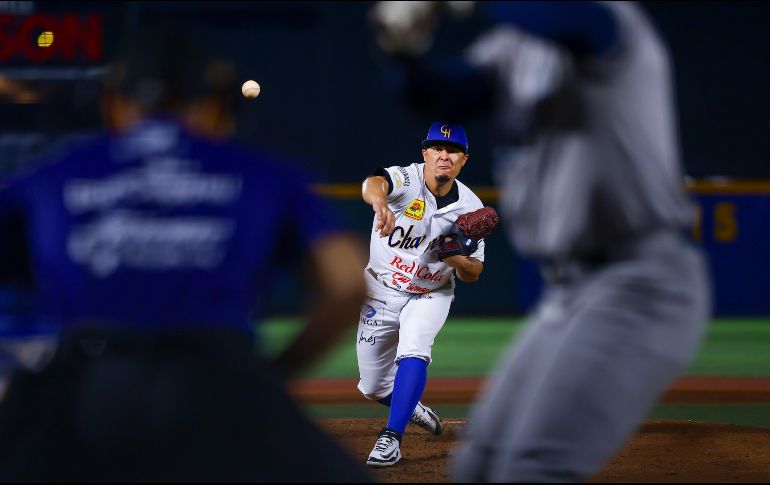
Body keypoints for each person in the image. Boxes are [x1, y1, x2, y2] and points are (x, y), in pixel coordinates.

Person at [0, 28, 372, 482]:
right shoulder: (264, 173)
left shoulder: (52, 173)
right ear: (212, 105)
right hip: (219, 381)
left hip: (86, 387)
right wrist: (274, 373)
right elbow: (348, 282)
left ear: (113, 102)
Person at [370, 1, 711, 481]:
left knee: (535, 465)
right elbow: (439, 94)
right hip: (569, 293)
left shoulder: (613, 24)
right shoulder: (514, 46)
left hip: (639, 282)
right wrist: (403, 48)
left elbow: (576, 23)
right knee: (480, 463)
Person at [357, 121, 488, 467]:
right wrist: (379, 203)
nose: (444, 155)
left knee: (414, 347)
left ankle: (391, 438)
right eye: (437, 148)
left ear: (464, 160)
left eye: (453, 151)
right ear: (425, 154)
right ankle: (411, 406)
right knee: (372, 386)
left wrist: (454, 255)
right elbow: (374, 183)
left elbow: (474, 272)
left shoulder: (470, 207)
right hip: (379, 290)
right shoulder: (408, 178)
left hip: (430, 293)